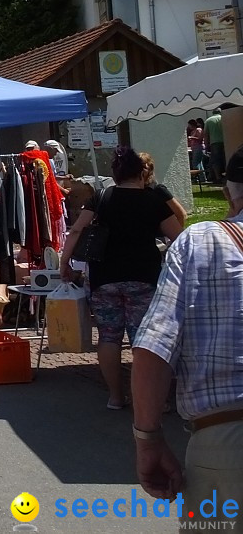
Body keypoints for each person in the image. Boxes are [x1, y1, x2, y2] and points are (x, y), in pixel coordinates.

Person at [130, 146, 243, 522]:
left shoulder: (202, 242)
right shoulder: (160, 198)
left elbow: (153, 348)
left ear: (229, 194)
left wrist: (147, 439)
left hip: (226, 443)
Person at [59, 146, 183, 410]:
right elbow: (178, 235)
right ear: (141, 173)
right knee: (144, 339)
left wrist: (64, 262)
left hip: (105, 277)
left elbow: (77, 230)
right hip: (143, 276)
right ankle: (150, 400)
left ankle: (116, 396)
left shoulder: (101, 197)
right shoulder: (152, 200)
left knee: (109, 336)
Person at [138, 151, 187, 227]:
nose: (140, 171)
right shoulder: (134, 190)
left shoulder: (158, 190)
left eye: (143, 167)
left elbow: (181, 214)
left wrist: (177, 236)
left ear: (150, 169)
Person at [204, 107, 226, 184]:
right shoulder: (223, 118)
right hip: (225, 141)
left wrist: (206, 145)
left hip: (214, 143)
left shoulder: (208, 120)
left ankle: (218, 177)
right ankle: (228, 176)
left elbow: (206, 134)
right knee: (226, 159)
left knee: (216, 160)